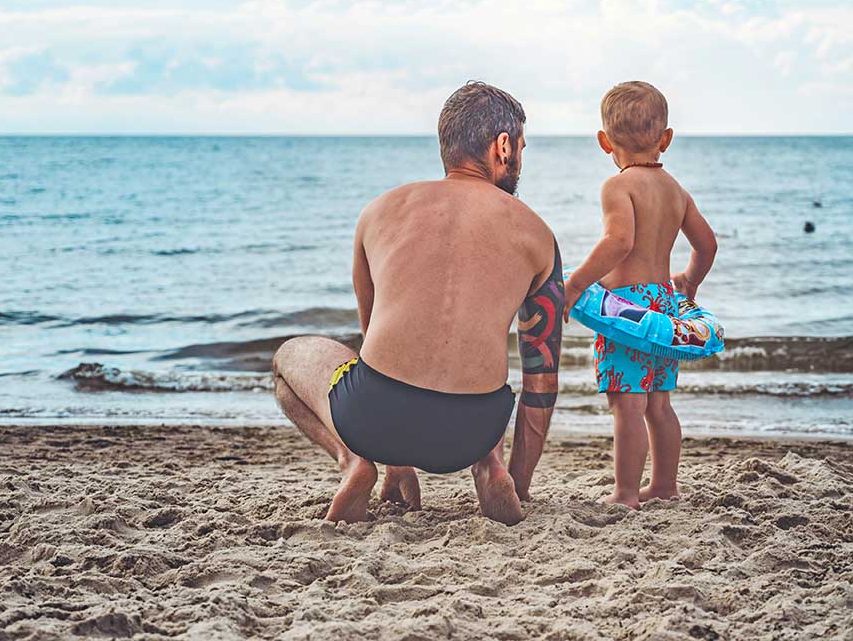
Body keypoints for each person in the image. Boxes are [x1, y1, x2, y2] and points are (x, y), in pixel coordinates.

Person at [272, 82, 563, 525]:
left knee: (287, 359)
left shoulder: (380, 211)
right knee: (488, 366)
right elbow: (542, 380)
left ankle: (355, 462)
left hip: (375, 418)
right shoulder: (538, 235)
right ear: (502, 147)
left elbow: (374, 341)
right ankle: (491, 468)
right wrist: (519, 484)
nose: (520, 161)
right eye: (521, 148)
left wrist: (395, 460)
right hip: (472, 432)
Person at [562, 81, 717, 509]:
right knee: (659, 404)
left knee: (626, 404)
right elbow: (707, 246)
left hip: (627, 311)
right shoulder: (676, 192)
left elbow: (619, 242)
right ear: (665, 139)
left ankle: (626, 493)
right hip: (664, 307)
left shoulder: (618, 186)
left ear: (604, 141)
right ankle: (665, 485)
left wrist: (575, 286)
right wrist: (688, 281)